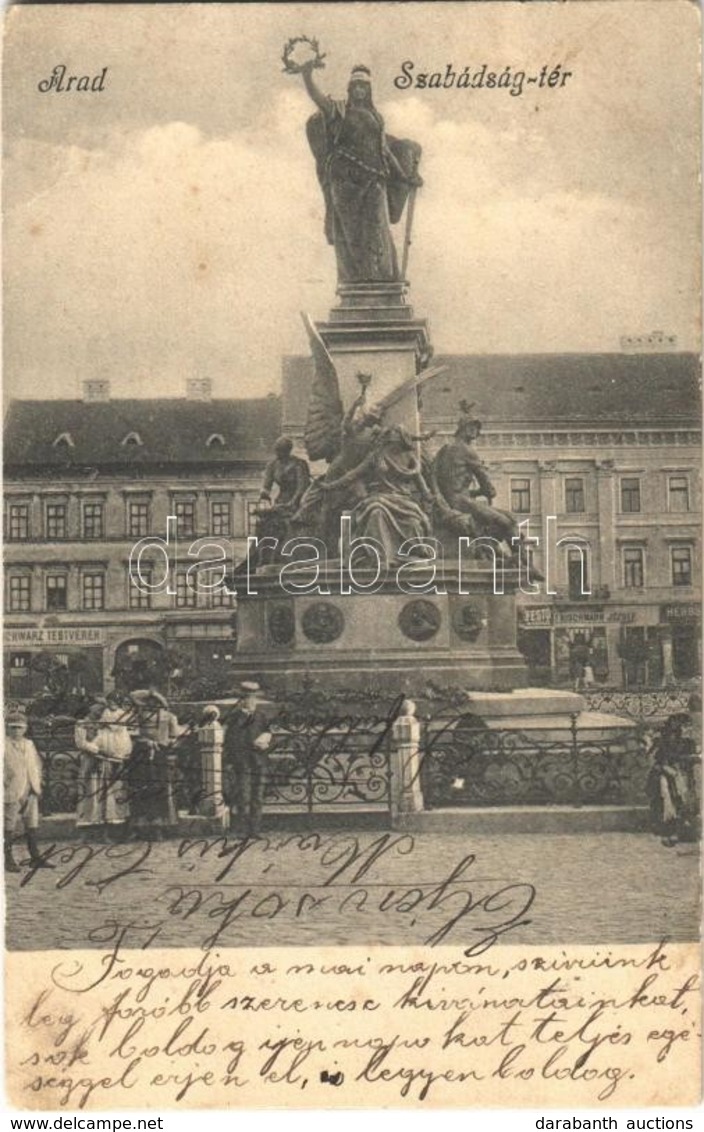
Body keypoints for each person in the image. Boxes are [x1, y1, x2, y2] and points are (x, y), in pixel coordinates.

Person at [301, 61, 421, 283]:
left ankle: (384, 281)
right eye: (355, 86)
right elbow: (318, 98)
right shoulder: (338, 110)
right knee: (352, 236)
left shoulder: (376, 118)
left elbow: (384, 151)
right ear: (349, 88)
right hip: (346, 184)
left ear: (369, 90)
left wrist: (405, 177)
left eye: (363, 87)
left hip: (375, 180)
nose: (359, 90)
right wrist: (307, 76)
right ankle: (357, 284)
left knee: (378, 231)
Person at [126, 689, 185, 838]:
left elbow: (175, 737)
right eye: (149, 703)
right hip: (141, 756)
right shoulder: (138, 716)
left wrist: (164, 744)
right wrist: (146, 742)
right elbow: (132, 735)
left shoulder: (169, 717)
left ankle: (159, 826)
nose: (152, 705)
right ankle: (139, 827)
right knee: (140, 788)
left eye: (155, 703)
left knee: (160, 789)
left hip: (160, 755)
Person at [4, 708, 55, 872]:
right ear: (6, 727)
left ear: (26, 728)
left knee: (32, 824)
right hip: (11, 789)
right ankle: (7, 859)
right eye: (12, 727)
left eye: (20, 727)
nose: (16, 731)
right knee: (8, 825)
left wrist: (37, 783)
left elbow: (36, 764)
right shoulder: (3, 744)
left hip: (31, 788)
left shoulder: (29, 744)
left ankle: (35, 857)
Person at [74, 699, 130, 840]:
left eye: (102, 708)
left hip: (107, 764)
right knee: (90, 795)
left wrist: (115, 754)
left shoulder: (105, 725)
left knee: (107, 797)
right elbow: (81, 743)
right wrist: (99, 750)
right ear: (90, 707)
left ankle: (106, 833)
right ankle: (85, 833)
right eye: (97, 707)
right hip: (90, 763)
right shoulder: (82, 724)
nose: (100, 710)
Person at [223, 682, 272, 838]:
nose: (252, 702)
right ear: (242, 700)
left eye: (254, 698)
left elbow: (268, 732)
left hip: (259, 761)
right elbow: (231, 741)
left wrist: (266, 741)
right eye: (248, 698)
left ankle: (255, 830)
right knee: (243, 796)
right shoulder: (235, 718)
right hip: (242, 762)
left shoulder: (261, 716)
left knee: (257, 796)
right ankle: (242, 830)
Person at [647, 713, 699, 846]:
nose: (682, 731)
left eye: (685, 728)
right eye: (679, 728)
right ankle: (671, 830)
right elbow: (657, 761)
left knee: (682, 791)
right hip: (665, 775)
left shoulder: (688, 743)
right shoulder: (663, 742)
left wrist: (685, 762)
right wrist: (667, 769)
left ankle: (679, 829)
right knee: (667, 792)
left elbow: (693, 758)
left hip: (682, 774)